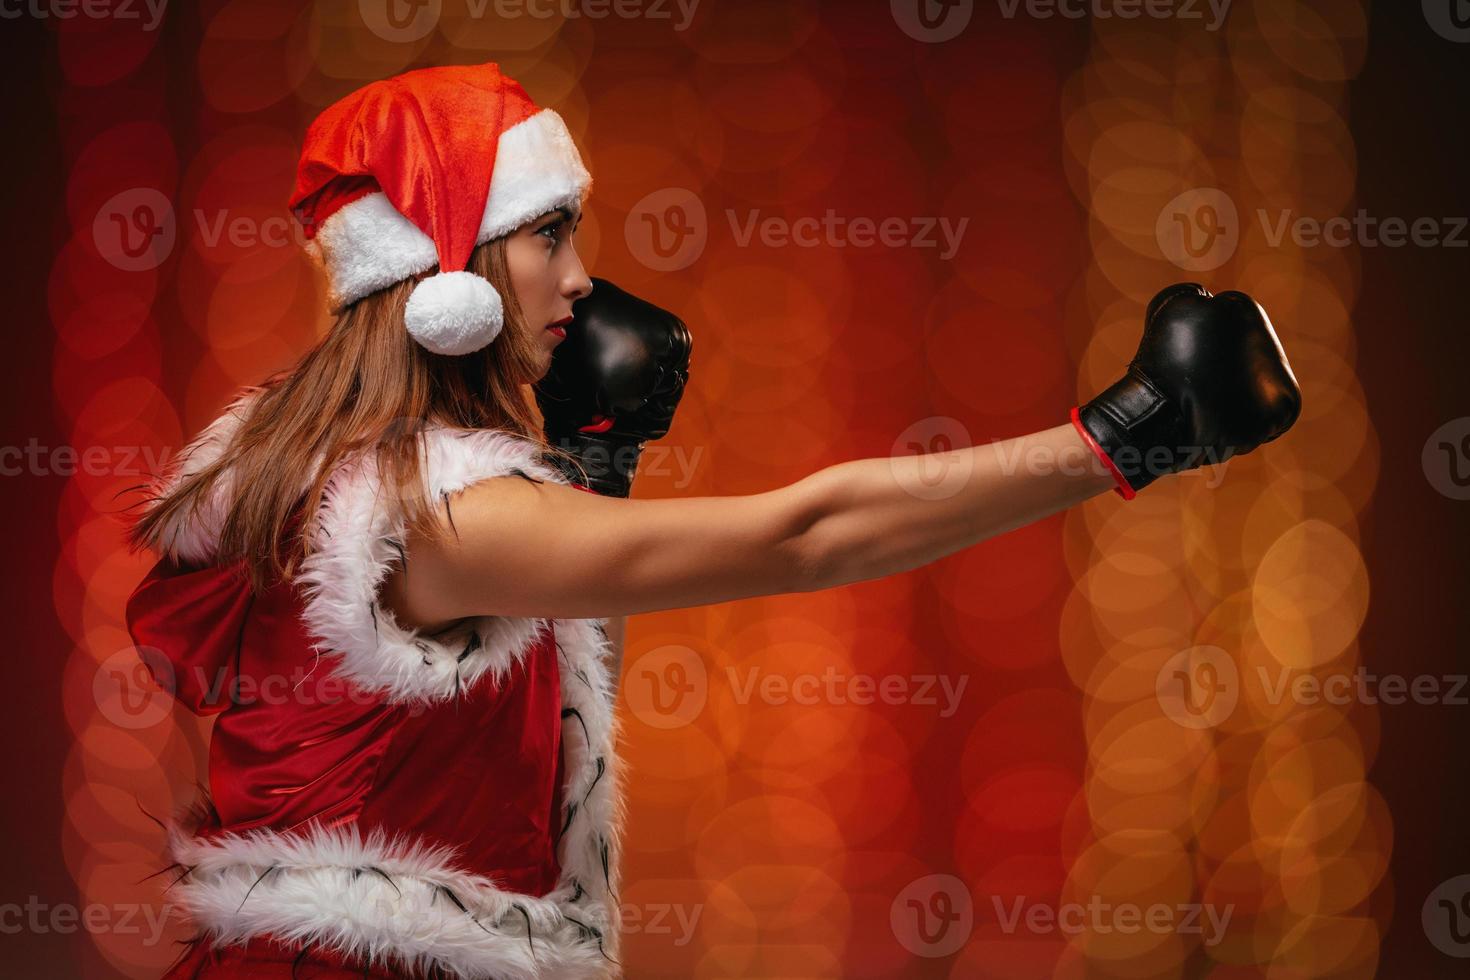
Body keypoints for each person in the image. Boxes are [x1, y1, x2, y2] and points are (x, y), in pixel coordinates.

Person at [123, 62, 1300, 980]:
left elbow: (563, 729)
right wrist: (1123, 435)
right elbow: (805, 535)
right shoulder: (427, 512)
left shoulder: (350, 472)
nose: (581, 280)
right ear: (454, 277)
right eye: (550, 236)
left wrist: (600, 463)